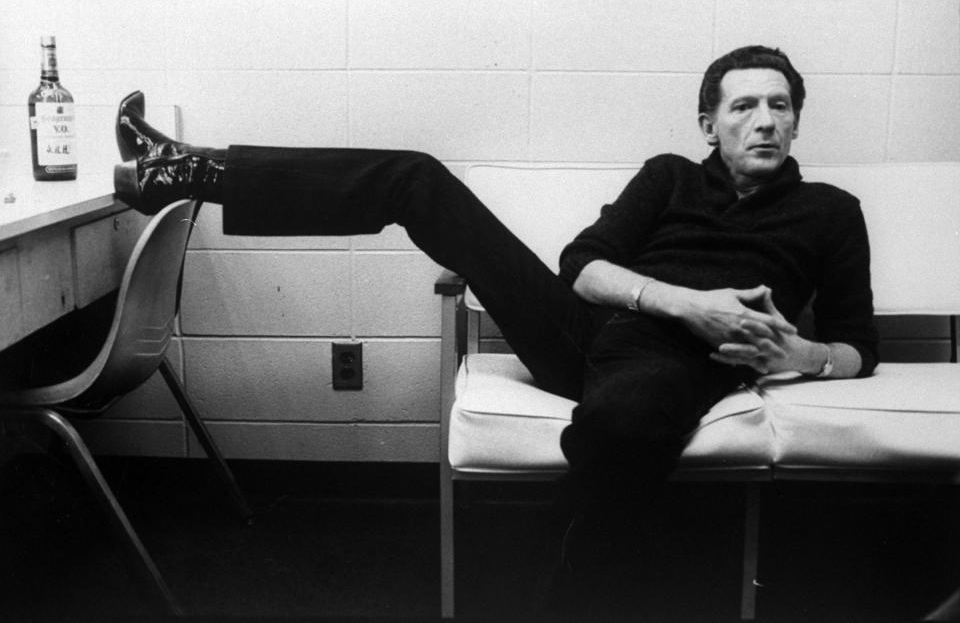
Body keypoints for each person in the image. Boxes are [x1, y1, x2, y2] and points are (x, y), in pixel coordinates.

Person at [113, 45, 878, 619]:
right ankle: (185, 172)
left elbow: (855, 345)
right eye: (744, 106)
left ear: (797, 119)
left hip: (677, 367)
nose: (765, 120)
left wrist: (801, 355)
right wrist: (687, 300)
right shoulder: (671, 175)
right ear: (709, 124)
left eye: (779, 105)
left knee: (627, 415)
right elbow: (584, 266)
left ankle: (545, 591)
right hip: (588, 329)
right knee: (416, 177)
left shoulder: (830, 212)